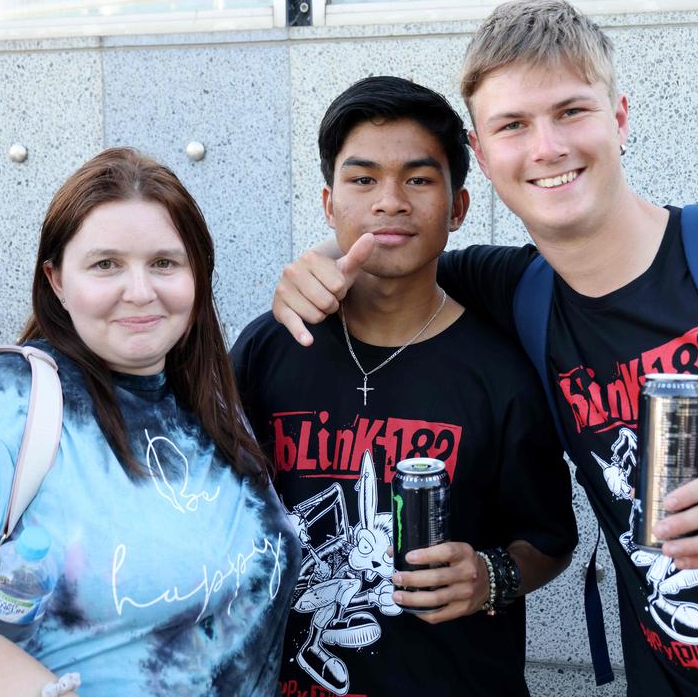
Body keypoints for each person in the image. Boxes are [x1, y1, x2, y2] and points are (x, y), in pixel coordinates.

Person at [270, 0, 698, 697]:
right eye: (514, 125)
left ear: (620, 118)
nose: (547, 147)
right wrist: (323, 258)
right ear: (482, 158)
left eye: (571, 111)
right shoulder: (518, 292)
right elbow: (402, 252)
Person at [0, 148, 301, 696]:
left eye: (165, 263)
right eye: (106, 264)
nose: (140, 291)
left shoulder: (210, 399)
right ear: (56, 280)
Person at [232, 76, 576, 697]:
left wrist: (490, 577)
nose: (389, 201)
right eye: (362, 180)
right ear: (329, 202)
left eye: (418, 179)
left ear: (459, 207)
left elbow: (548, 540)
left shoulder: (501, 370)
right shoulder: (269, 347)